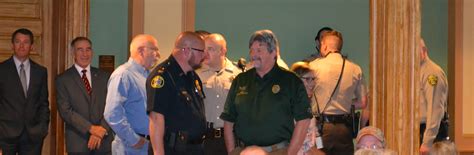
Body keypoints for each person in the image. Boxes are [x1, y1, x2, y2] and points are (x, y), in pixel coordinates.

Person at [220, 29, 312, 155]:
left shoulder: (291, 81)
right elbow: (228, 120)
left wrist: (290, 153)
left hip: (277, 151)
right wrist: (232, 151)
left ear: (273, 52)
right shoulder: (241, 80)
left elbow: (304, 120)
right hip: (244, 151)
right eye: (251, 50)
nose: (253, 55)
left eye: (259, 50)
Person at [308, 30, 368, 154]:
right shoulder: (355, 69)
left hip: (321, 129)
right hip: (344, 130)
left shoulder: (313, 67)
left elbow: (304, 97)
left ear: (323, 46)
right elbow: (363, 103)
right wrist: (344, 102)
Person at [147, 32, 207, 155]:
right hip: (173, 149)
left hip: (195, 149)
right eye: (201, 51)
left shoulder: (192, 76)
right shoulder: (163, 77)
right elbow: (156, 119)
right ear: (186, 50)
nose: (204, 56)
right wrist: (158, 152)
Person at [104, 34, 160, 154]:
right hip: (130, 147)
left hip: (149, 145)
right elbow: (112, 113)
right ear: (141, 51)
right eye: (154, 50)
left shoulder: (150, 76)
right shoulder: (123, 75)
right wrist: (133, 139)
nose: (158, 55)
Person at [56, 37, 113, 154]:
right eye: (80, 50)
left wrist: (100, 131)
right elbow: (66, 111)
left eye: (88, 49)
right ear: (73, 53)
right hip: (78, 143)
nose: (85, 54)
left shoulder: (105, 76)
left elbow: (112, 106)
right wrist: (91, 129)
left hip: (103, 142)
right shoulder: (63, 79)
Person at [0, 28, 50, 155]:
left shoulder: (40, 71)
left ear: (31, 46)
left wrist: (42, 128)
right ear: (12, 45)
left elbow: (43, 103)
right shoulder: (1, 70)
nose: (21, 46)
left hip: (33, 136)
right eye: (18, 42)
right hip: (5, 135)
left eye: (26, 42)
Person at [196, 33, 242, 155]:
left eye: (210, 49)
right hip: (206, 139)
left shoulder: (239, 75)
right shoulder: (197, 75)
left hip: (232, 138)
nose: (205, 53)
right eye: (204, 49)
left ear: (222, 51)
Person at [419, 38, 449, 155]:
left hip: (430, 134)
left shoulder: (431, 73)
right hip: (420, 131)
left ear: (424, 50)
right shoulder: (415, 72)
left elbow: (435, 109)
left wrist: (427, 142)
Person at [290, 62, 324, 155]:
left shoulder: (307, 104)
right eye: (307, 79)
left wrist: (321, 148)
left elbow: (316, 134)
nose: (312, 83)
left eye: (313, 79)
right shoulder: (291, 107)